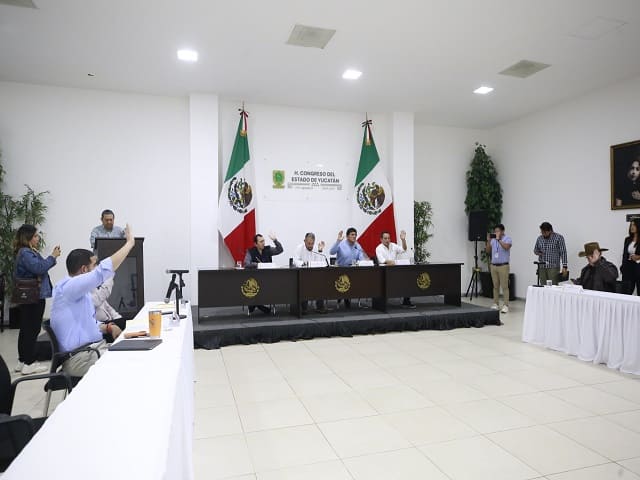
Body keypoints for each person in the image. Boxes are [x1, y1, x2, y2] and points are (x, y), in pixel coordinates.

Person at [50, 225, 135, 377]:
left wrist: (108, 327)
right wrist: (129, 244)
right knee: (130, 365)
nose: (96, 267)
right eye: (94, 265)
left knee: (133, 354)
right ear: (84, 270)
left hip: (90, 351)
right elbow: (102, 272)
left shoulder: (79, 293)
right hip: (80, 359)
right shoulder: (69, 287)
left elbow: (87, 324)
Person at [13, 224, 61, 375]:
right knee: (31, 329)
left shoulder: (26, 251)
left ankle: (22, 361)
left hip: (30, 296)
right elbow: (39, 268)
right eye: (35, 236)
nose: (37, 238)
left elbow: (39, 266)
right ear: (27, 237)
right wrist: (53, 256)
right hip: (33, 296)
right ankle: (29, 363)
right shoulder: (26, 253)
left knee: (26, 328)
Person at [243, 233, 283, 315]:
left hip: (268, 278)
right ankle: (258, 305)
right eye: (261, 242)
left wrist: (275, 240)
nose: (263, 243)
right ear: (255, 244)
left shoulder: (268, 249)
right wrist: (257, 264)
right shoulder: (250, 251)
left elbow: (280, 250)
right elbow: (246, 263)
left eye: (263, 241)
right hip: (256, 279)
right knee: (253, 286)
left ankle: (255, 304)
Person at [330, 228, 369, 308]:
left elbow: (361, 258)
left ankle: (348, 297)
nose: (354, 236)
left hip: (353, 271)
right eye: (352, 235)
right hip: (341, 270)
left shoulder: (357, 246)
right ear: (347, 236)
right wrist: (338, 241)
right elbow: (331, 252)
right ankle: (343, 297)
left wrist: (366, 261)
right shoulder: (341, 244)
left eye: (355, 235)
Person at [376, 230, 415, 308]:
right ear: (381, 239)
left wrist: (403, 240)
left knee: (407, 277)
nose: (387, 240)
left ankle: (406, 301)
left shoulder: (393, 245)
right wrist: (393, 262)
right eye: (385, 238)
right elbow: (382, 261)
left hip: (395, 271)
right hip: (384, 272)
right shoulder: (379, 248)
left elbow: (404, 249)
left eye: (388, 238)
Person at [294, 232, 329, 313]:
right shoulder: (299, 248)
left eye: (312, 243)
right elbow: (295, 260)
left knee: (321, 283)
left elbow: (321, 262)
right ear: (304, 241)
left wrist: (320, 251)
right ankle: (303, 308)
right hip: (303, 274)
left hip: (314, 274)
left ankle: (320, 307)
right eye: (308, 243)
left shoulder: (316, 248)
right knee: (303, 284)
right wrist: (304, 264)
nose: (310, 246)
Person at [485, 224, 512, 313]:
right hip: (494, 266)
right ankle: (495, 304)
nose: (496, 232)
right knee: (495, 286)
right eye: (495, 231)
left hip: (503, 266)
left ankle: (506, 305)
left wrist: (499, 239)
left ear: (503, 231)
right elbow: (488, 251)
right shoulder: (493, 240)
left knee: (505, 286)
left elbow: (506, 247)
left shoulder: (507, 238)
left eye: (498, 231)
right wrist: (488, 241)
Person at [91, 276, 126, 341]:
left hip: (109, 322)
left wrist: (119, 318)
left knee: (124, 322)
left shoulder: (93, 289)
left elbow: (109, 308)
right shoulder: (81, 294)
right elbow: (97, 301)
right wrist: (109, 276)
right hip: (101, 328)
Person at [620, 218, 640, 295]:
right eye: (631, 225)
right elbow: (624, 254)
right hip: (628, 268)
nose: (632, 227)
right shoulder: (627, 239)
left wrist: (639, 257)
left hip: (638, 268)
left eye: (634, 225)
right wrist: (623, 267)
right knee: (625, 293)